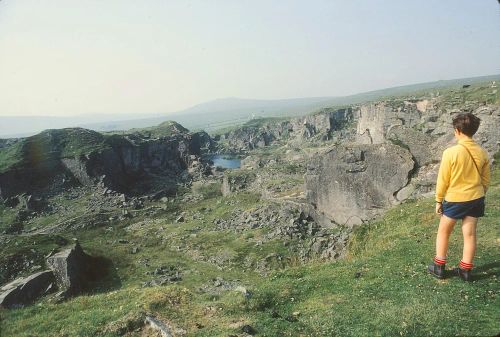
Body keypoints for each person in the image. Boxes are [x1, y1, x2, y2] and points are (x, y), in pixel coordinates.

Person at [428, 112, 490, 282]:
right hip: (476, 198)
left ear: (457, 131)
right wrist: (478, 192)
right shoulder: (482, 152)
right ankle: (465, 271)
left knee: (444, 231)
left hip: (455, 198)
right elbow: (486, 180)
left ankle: (439, 268)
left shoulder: (450, 152)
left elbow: (443, 180)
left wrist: (438, 200)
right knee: (469, 234)